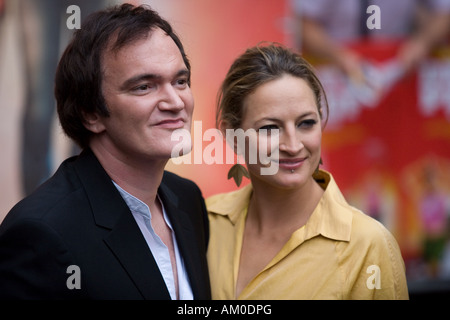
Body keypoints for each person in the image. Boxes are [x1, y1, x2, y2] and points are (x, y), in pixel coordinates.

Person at [0, 4, 211, 300]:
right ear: (91, 114)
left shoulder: (188, 200)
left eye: (180, 81)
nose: (175, 102)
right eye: (144, 87)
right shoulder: (40, 234)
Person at [207, 43, 409, 299]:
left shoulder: (367, 244)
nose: (293, 145)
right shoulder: (205, 221)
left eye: (306, 123)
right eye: (270, 128)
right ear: (232, 136)